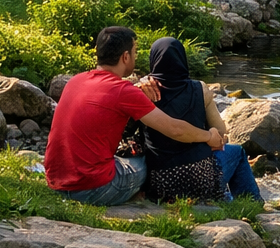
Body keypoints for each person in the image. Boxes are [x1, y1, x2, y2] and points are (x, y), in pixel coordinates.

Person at [45, 27, 225, 206]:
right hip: (93, 189)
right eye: (135, 52)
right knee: (150, 164)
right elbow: (175, 130)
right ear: (125, 57)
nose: (136, 57)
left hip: (56, 181)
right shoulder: (124, 92)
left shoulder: (76, 80)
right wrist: (209, 136)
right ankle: (139, 194)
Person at [140, 37, 260, 202]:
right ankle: (251, 203)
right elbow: (221, 133)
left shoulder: (143, 94)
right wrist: (209, 135)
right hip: (201, 177)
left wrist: (141, 80)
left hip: (159, 182)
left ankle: (225, 198)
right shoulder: (200, 90)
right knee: (237, 152)